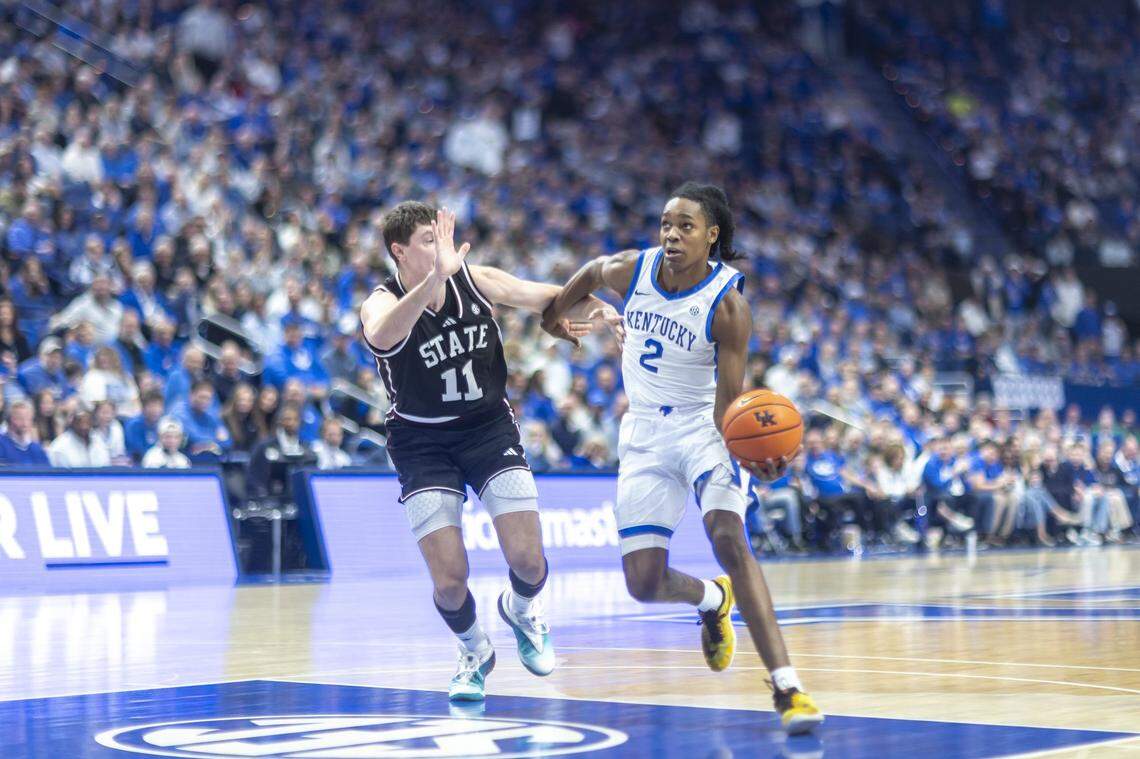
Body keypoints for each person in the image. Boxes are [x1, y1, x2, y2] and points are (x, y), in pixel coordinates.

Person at [541, 182, 822, 733]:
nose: (671, 233)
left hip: (703, 427)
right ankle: (710, 600)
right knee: (643, 583)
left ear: (711, 236)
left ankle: (788, 687)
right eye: (666, 223)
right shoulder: (634, 270)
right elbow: (595, 269)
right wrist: (556, 313)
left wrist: (751, 457)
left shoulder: (729, 307)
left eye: (685, 226)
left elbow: (729, 406)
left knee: (727, 538)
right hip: (643, 435)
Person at [359, 203, 616, 701]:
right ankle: (474, 650)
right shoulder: (380, 301)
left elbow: (551, 298)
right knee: (451, 582)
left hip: (487, 428)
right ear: (399, 250)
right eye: (430, 241)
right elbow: (383, 335)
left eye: (444, 238)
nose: (444, 248)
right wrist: (433, 280)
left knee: (528, 560)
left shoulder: (475, 280)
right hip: (421, 442)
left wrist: (599, 312)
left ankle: (521, 610)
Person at [47, 405, 112, 468]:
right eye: (80, 422)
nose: (84, 427)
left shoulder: (99, 440)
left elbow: (106, 467)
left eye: (87, 423)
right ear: (72, 424)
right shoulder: (60, 447)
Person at [0, 400, 51, 466]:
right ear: (9, 419)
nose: (25, 423)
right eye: (19, 418)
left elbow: (48, 473)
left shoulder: (37, 449)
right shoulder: (1, 444)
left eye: (28, 418)